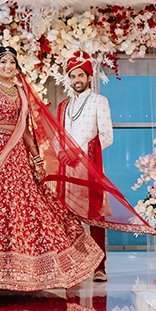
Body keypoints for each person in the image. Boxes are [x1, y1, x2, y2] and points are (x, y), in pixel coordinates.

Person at [0, 47, 154, 291]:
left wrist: (36, 156)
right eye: (3, 62)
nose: (8, 66)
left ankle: (73, 267)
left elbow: (25, 128)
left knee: (41, 208)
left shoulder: (24, 92)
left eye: (12, 62)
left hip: (48, 159)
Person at [57, 52, 112, 282]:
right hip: (66, 168)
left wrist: (79, 154)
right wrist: (61, 152)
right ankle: (77, 265)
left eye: (80, 75)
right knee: (70, 217)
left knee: (95, 216)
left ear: (89, 77)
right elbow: (57, 136)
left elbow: (107, 136)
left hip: (89, 166)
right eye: (72, 76)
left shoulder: (100, 101)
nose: (76, 79)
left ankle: (100, 266)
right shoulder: (63, 106)